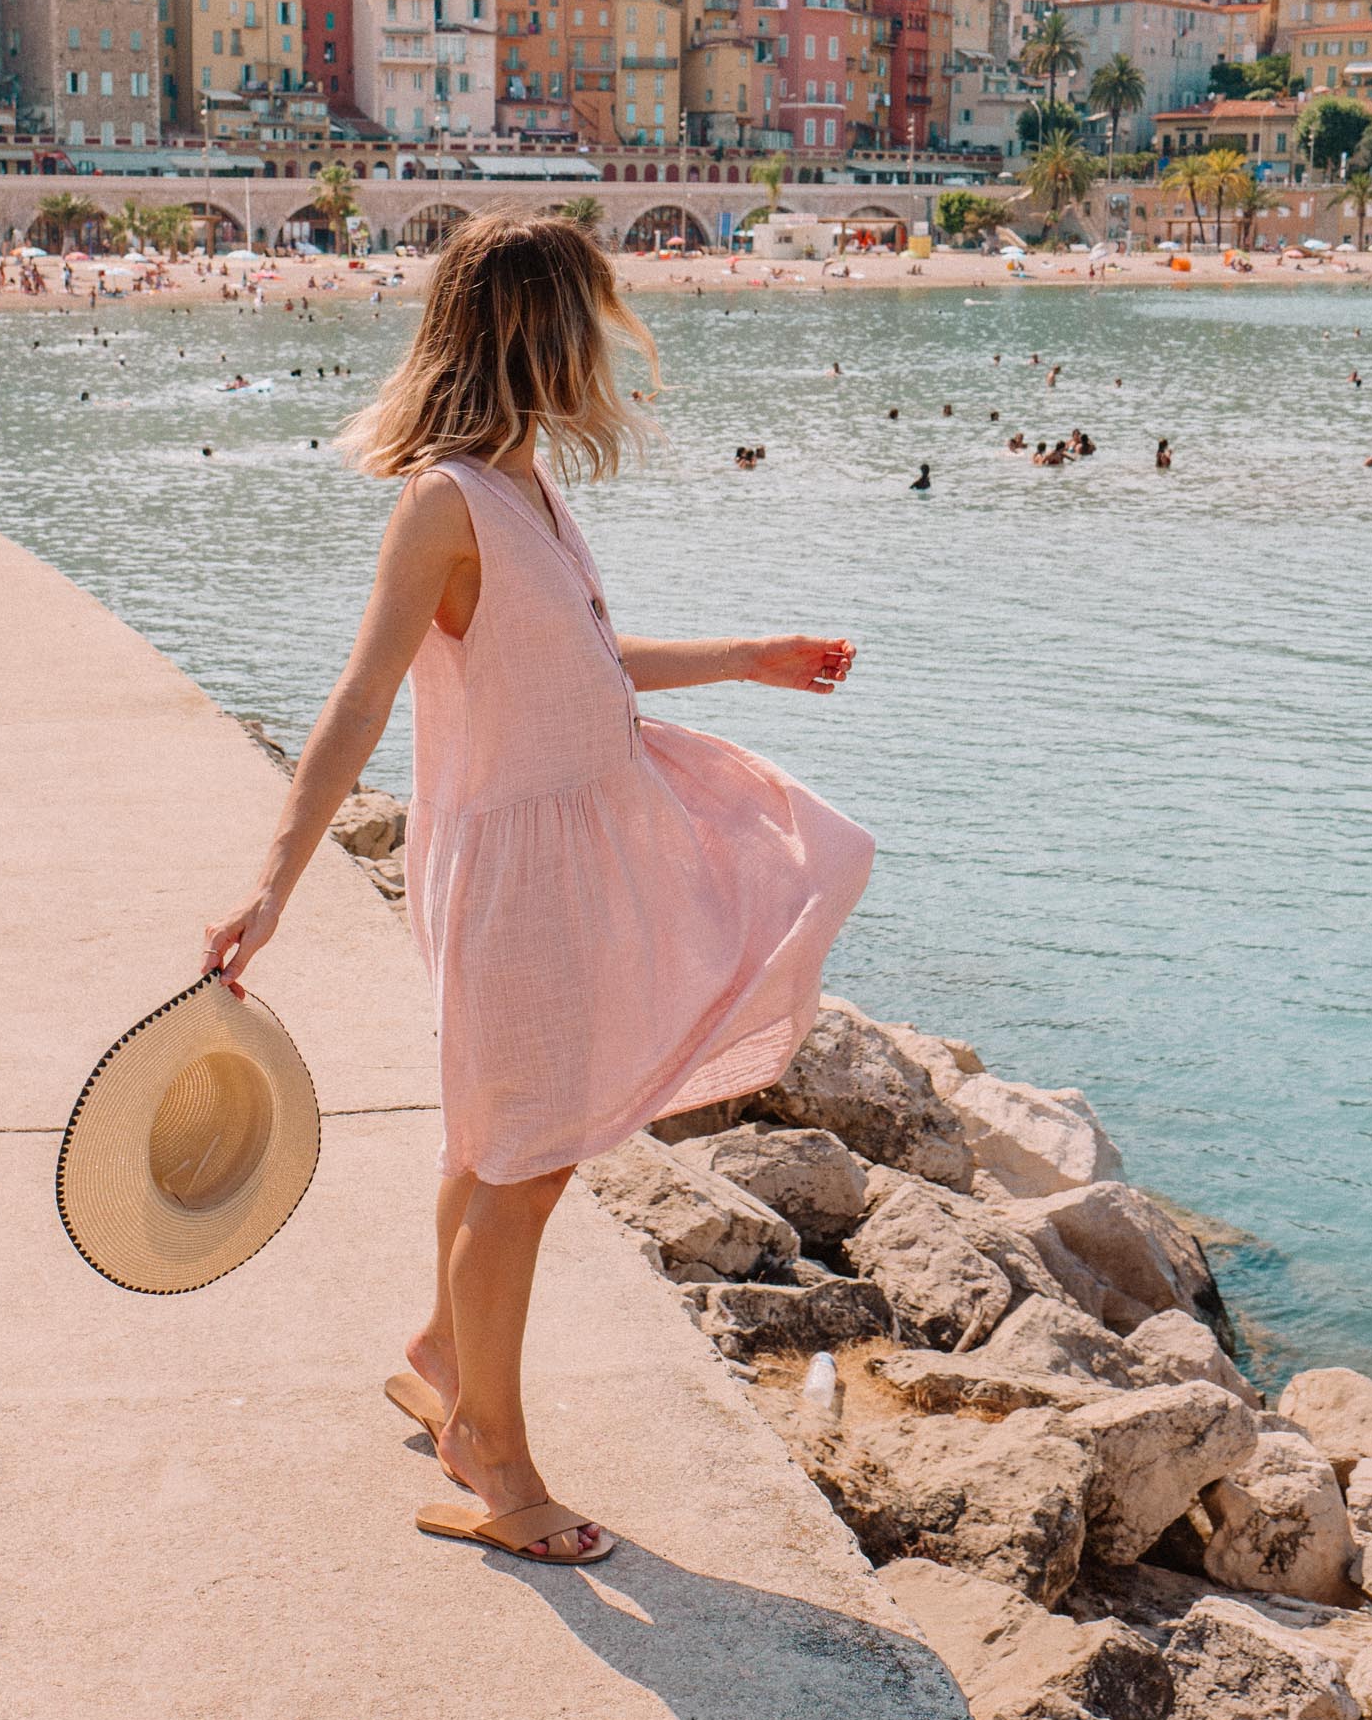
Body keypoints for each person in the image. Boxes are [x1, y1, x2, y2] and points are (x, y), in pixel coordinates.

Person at [199, 213, 871, 1567]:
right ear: (534, 331)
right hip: (516, 880)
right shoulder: (446, 502)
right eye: (589, 321)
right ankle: (496, 1468)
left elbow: (586, 669)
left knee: (500, 1155)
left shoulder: (527, 488)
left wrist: (751, 655)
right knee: (519, 1169)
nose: (607, 348)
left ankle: (446, 1358)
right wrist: (274, 884)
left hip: (574, 857)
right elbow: (357, 700)